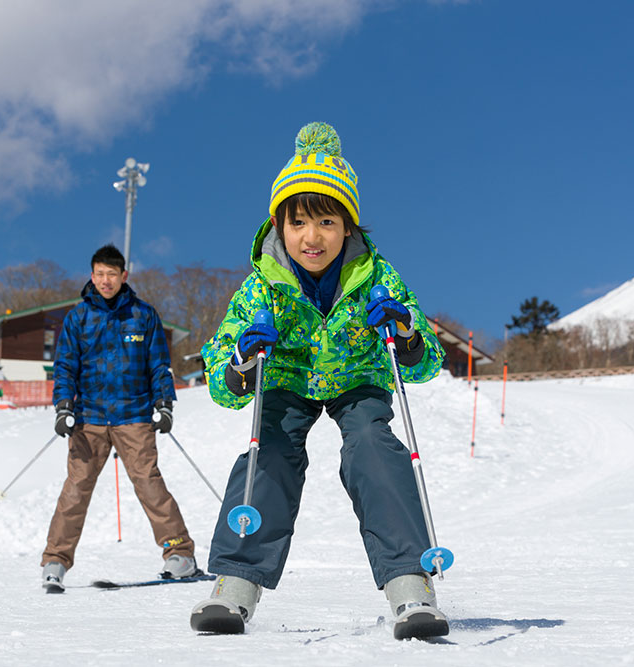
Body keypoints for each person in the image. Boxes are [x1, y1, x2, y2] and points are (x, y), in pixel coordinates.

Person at [190, 122, 449, 638]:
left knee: (374, 449)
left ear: (348, 227)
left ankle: (410, 585)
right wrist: (242, 362)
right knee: (269, 453)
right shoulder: (264, 283)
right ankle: (236, 583)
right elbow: (220, 376)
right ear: (279, 228)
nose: (313, 237)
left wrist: (406, 333)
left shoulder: (377, 276)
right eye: (299, 223)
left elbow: (426, 363)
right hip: (287, 382)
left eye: (327, 221)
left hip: (357, 381)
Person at [40, 244, 196, 592]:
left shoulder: (143, 315)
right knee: (76, 489)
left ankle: (180, 554)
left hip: (134, 414)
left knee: (148, 483)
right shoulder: (78, 318)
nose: (105, 280)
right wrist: (63, 406)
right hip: (89, 417)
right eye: (99, 274)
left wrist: (164, 403)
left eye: (112, 274)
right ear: (91, 276)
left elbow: (158, 364)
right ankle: (55, 561)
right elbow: (65, 366)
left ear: (124, 276)